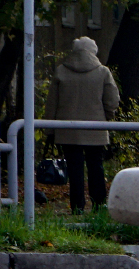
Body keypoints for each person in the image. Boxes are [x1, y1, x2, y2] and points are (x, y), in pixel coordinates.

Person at [47, 36, 120, 211]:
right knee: (96, 167)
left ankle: (77, 207)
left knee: (74, 169)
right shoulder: (102, 72)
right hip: (96, 128)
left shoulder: (61, 71)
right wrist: (107, 118)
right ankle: (99, 205)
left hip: (68, 130)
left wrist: (50, 130)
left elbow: (52, 103)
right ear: (93, 51)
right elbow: (112, 101)